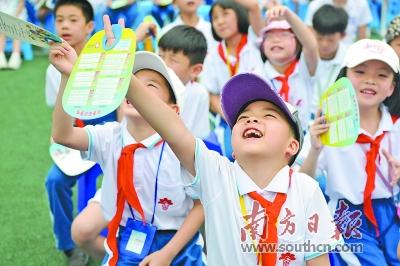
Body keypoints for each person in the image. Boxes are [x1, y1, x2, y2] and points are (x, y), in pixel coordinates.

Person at [122, 28, 340, 264]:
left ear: (292, 146)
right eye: (243, 117)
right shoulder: (217, 176)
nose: (252, 119)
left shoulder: (305, 188)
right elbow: (173, 130)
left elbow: (317, 260)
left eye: (269, 115)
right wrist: (121, 71)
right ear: (233, 148)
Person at [49, 17, 205, 265]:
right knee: (82, 230)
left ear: (172, 108)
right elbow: (63, 135)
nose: (135, 92)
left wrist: (168, 253)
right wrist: (69, 77)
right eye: (132, 84)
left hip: (177, 245)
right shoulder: (110, 135)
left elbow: (201, 205)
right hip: (126, 236)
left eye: (150, 86)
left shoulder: (184, 148)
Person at [300, 39, 400, 266]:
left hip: (390, 210)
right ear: (345, 78)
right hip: (347, 214)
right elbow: (301, 182)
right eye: (360, 71)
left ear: (392, 87)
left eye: (382, 76)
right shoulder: (328, 125)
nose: (370, 80)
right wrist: (315, 150)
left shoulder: (396, 126)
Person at [44, 1, 113, 265]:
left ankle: (119, 234)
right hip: (73, 141)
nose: (64, 25)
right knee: (54, 182)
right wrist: (56, 138)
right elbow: (58, 112)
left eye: (73, 20)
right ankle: (69, 245)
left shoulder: (106, 60)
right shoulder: (54, 65)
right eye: (59, 19)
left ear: (89, 26)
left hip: (105, 136)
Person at [201, 0, 263, 160]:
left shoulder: (255, 41)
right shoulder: (213, 56)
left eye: (226, 14)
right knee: (231, 155)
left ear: (239, 14)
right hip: (230, 119)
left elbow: (254, 7)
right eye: (215, 18)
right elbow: (211, 95)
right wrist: (229, 115)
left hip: (262, 113)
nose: (220, 21)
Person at [257, 5, 319, 132]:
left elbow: (311, 46)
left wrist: (288, 15)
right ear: (262, 46)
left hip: (305, 137)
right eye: (269, 36)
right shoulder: (256, 76)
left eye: (284, 35)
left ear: (297, 42)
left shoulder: (304, 67)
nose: (276, 40)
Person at [158, 25, 210, 139]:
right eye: (160, 56)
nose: (163, 64)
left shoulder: (199, 93)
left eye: (173, 60)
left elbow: (199, 137)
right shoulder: (150, 87)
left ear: (195, 70)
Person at [311, 4, 348, 112]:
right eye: (319, 38)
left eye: (330, 40)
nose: (324, 44)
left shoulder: (348, 60)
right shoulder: (303, 55)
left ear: (342, 36)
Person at [304, 0, 372, 46]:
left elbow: (363, 39)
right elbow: (309, 36)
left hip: (348, 52)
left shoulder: (361, 4)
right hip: (321, 51)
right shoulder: (316, 4)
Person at [0, 0, 27, 69]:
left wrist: (13, 17)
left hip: (17, 15)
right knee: (1, 31)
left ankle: (16, 55)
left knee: (16, 32)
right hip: (2, 14)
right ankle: (1, 55)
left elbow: (21, 4)